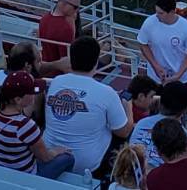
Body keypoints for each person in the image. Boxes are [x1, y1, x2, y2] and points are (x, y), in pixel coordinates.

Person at [42, 35, 128, 178]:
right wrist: (128, 107)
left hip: (49, 155)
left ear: (71, 59)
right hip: (86, 166)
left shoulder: (56, 82)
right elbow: (123, 131)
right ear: (96, 62)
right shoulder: (106, 92)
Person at [0, 73, 73, 179]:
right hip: (23, 177)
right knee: (68, 157)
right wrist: (57, 151)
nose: (35, 94)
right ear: (18, 99)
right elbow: (45, 157)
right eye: (32, 92)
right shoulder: (25, 126)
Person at [137, 0, 187, 82]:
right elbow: (143, 44)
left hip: (181, 80)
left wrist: (178, 75)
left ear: (172, 12)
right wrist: (156, 66)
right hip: (155, 79)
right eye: (156, 12)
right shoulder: (149, 22)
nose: (157, 15)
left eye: (161, 13)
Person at [38, 0, 80, 67]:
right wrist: (72, 22)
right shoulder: (65, 28)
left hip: (45, 65)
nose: (76, 11)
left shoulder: (44, 18)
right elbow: (66, 59)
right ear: (65, 4)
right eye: (75, 7)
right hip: (57, 71)